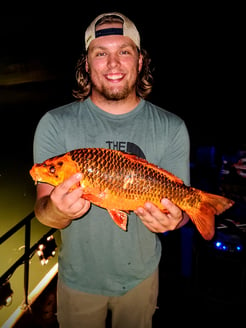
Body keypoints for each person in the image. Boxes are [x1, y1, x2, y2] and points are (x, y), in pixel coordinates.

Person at [32, 12, 190, 328]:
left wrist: (178, 219)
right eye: (101, 53)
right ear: (87, 64)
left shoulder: (172, 127)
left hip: (142, 277)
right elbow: (43, 211)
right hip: (78, 279)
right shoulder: (54, 124)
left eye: (124, 51)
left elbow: (182, 206)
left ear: (140, 61)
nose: (113, 63)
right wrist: (60, 210)